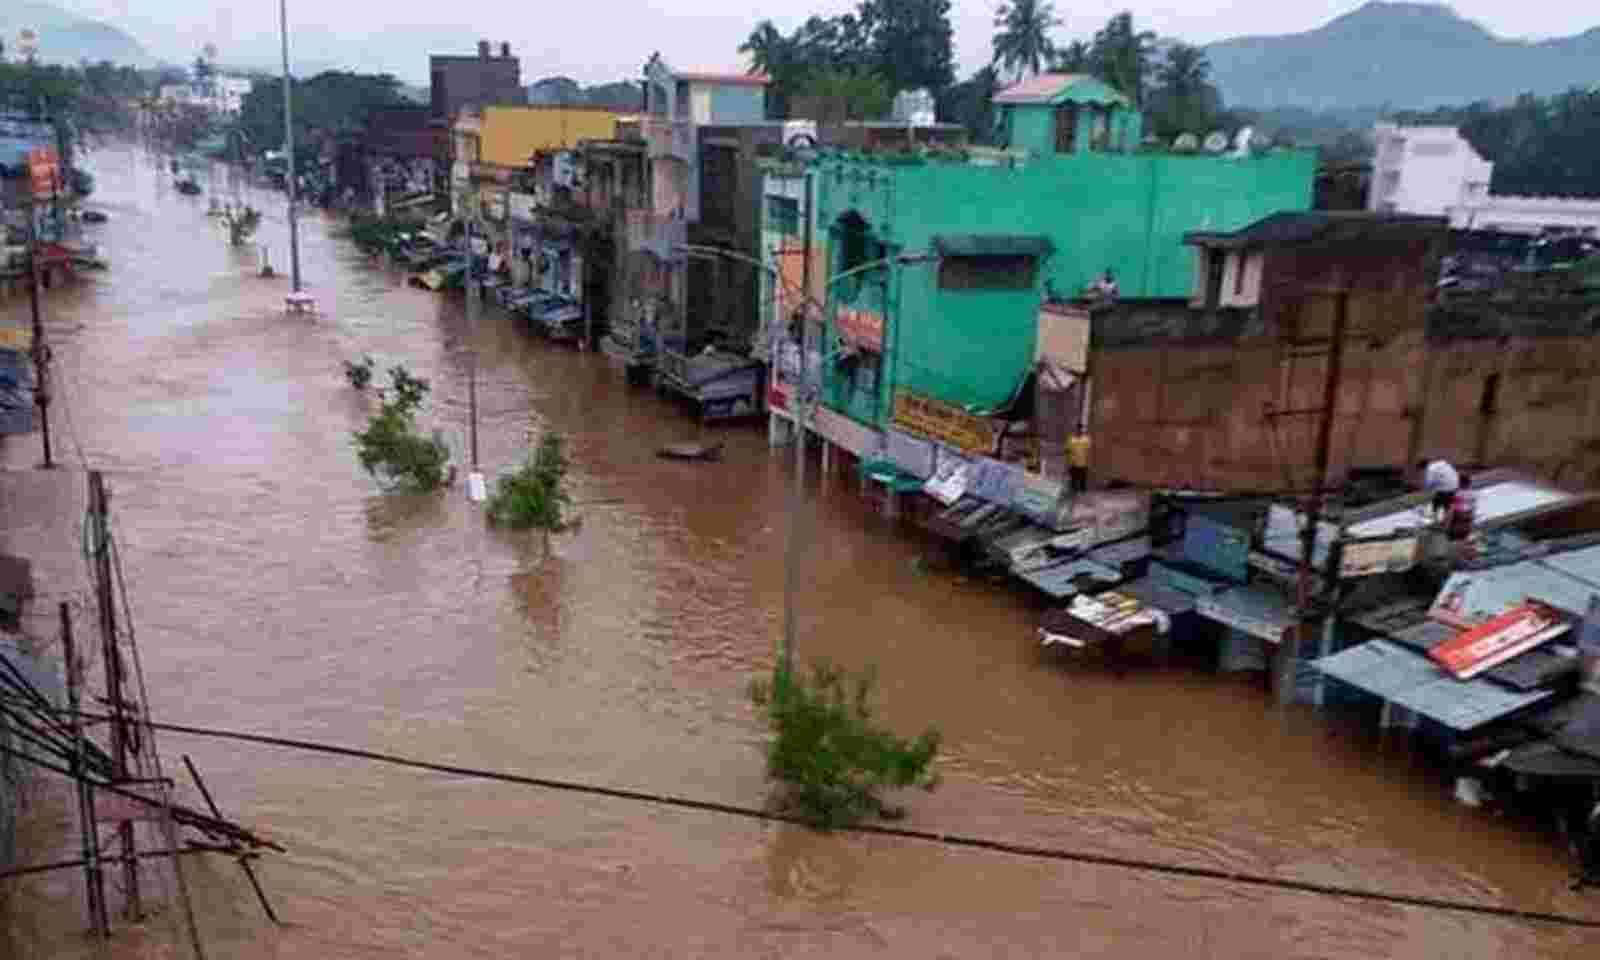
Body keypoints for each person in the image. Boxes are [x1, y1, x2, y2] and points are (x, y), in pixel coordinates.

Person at [1446, 473, 1476, 542]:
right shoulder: (1465, 531)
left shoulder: (1463, 531)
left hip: (1461, 508)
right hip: (1463, 508)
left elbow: (1451, 515)